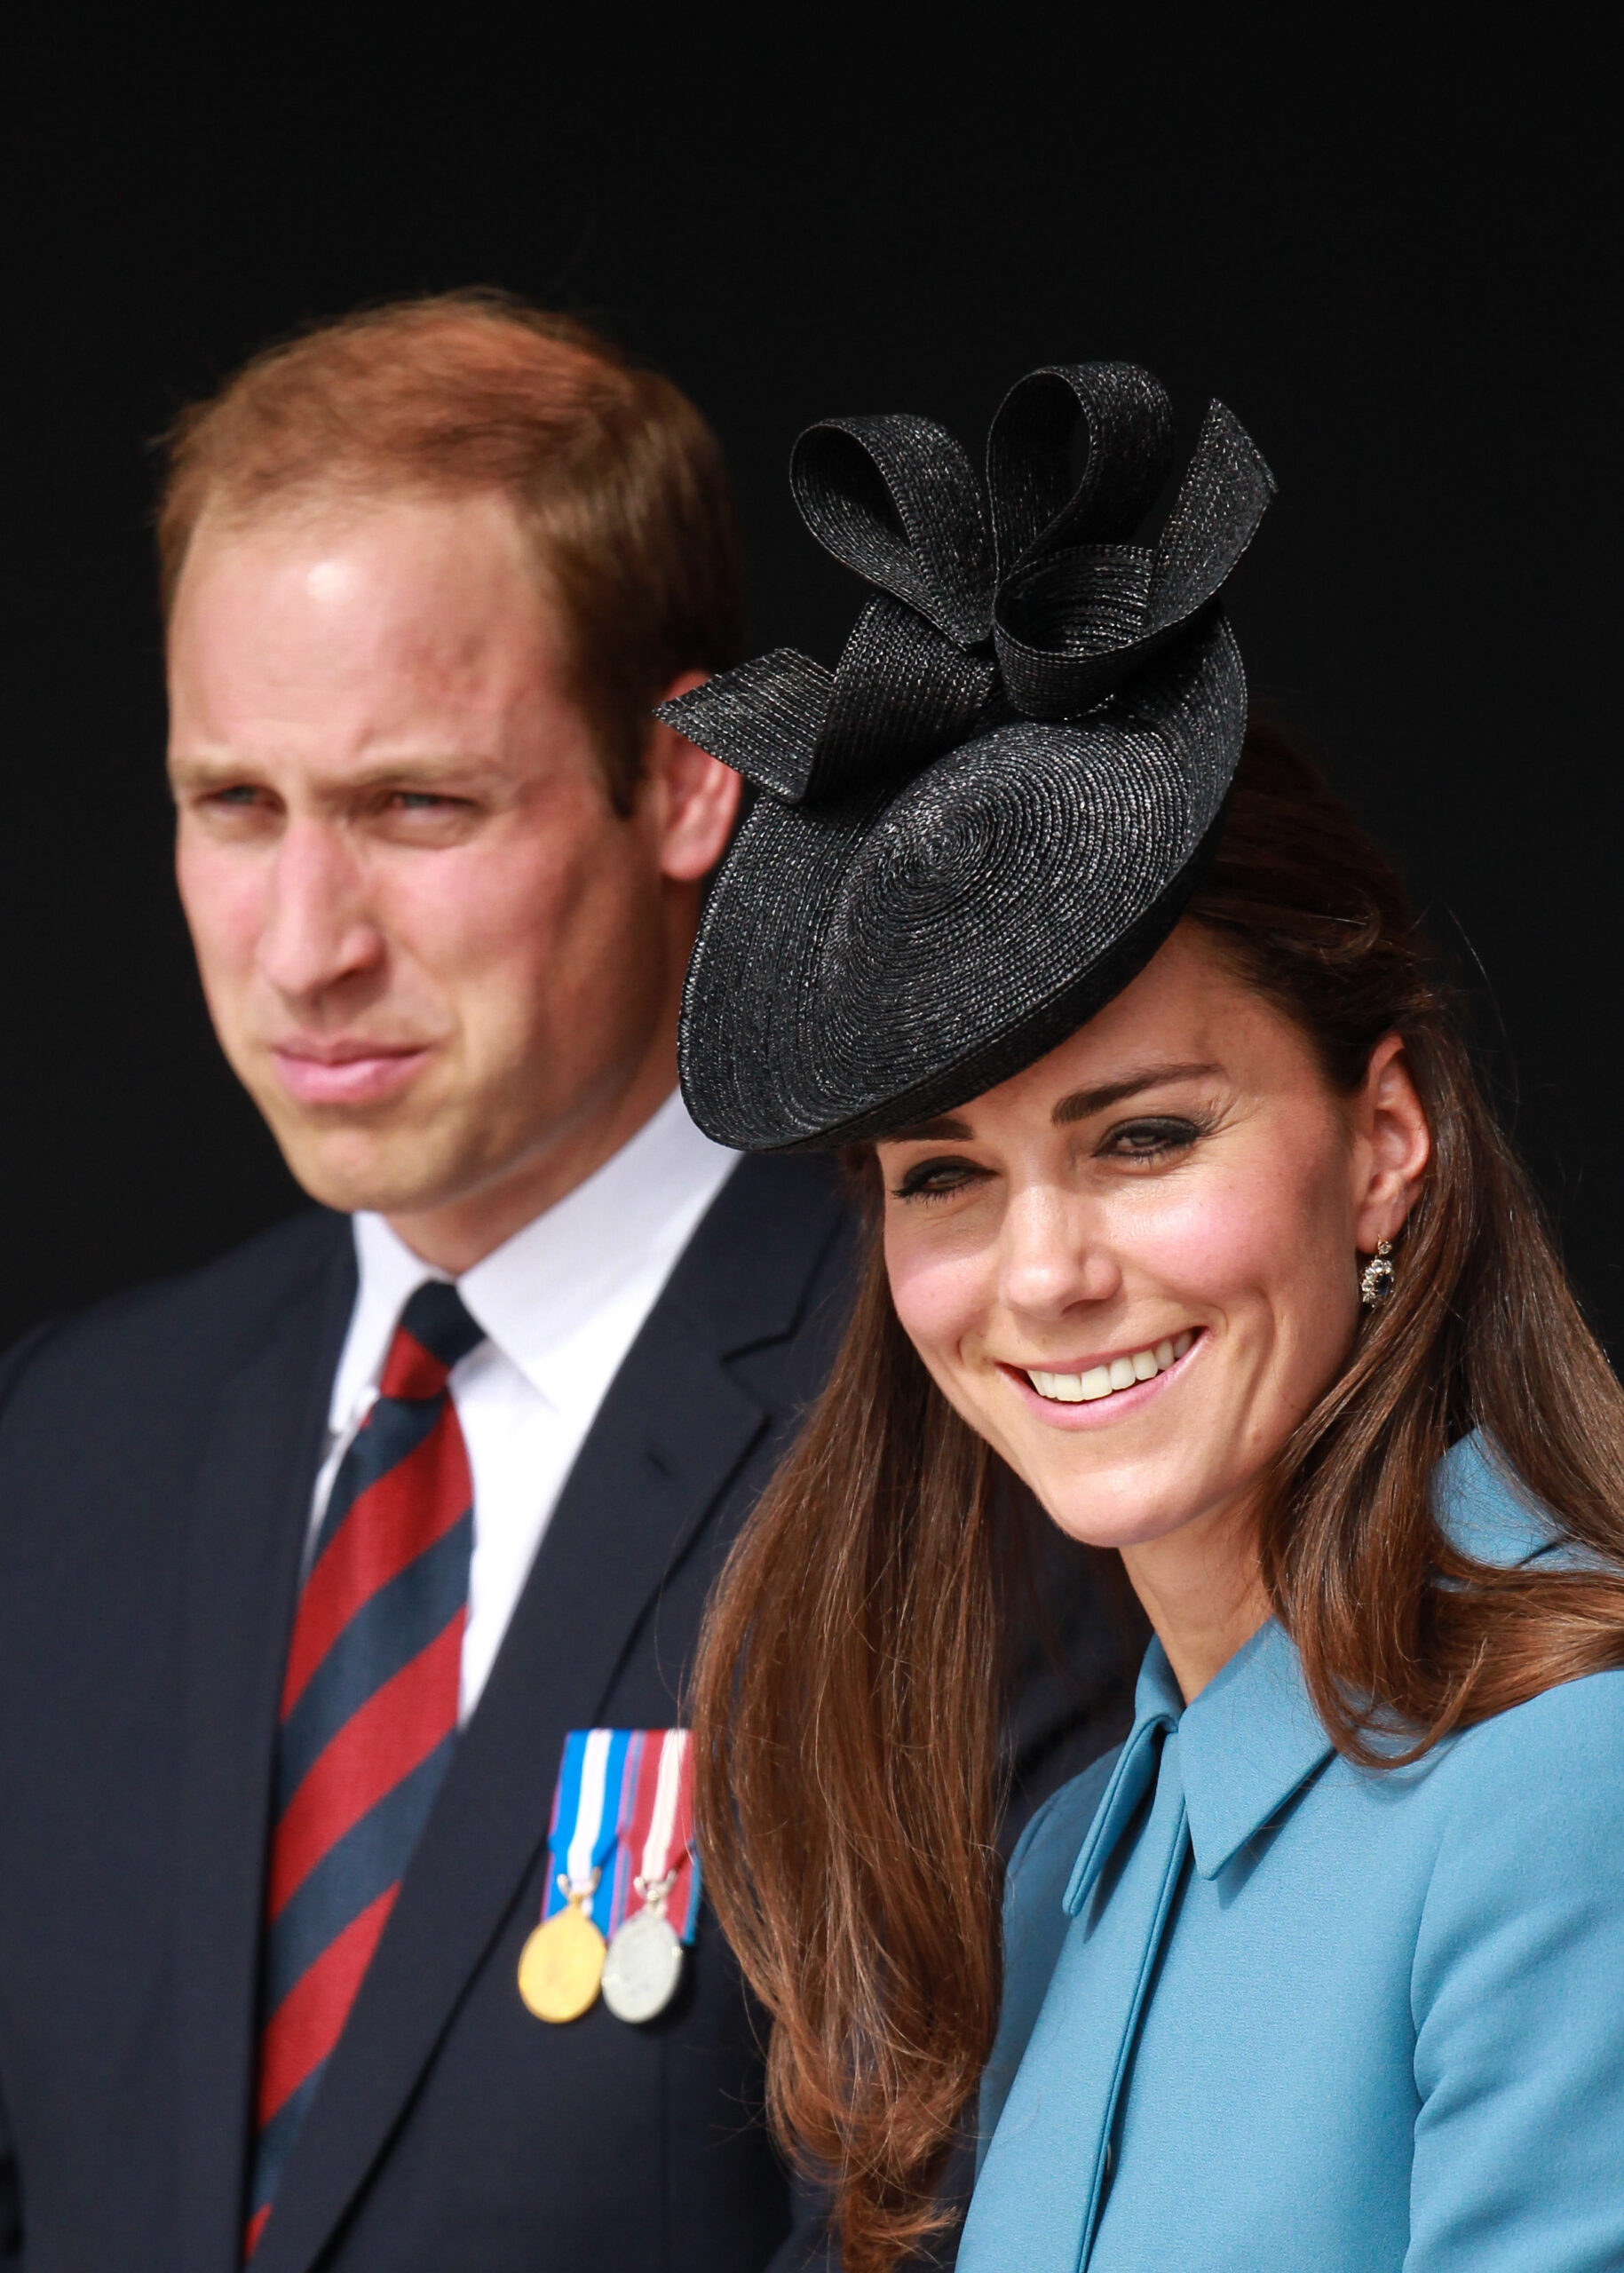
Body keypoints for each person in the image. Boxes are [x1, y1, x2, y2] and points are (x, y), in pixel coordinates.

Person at [0, 297, 1137, 2273]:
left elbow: (928, 2235)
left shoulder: (956, 1428)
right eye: (232, 806)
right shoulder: (68, 1446)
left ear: (692, 779)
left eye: (414, 807)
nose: (303, 946)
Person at [668, 363, 1624, 2271]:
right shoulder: (1075, 1864)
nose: (1044, 1273)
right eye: (943, 1171)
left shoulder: (1567, 1783)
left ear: (1383, 1143)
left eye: (1147, 1135)